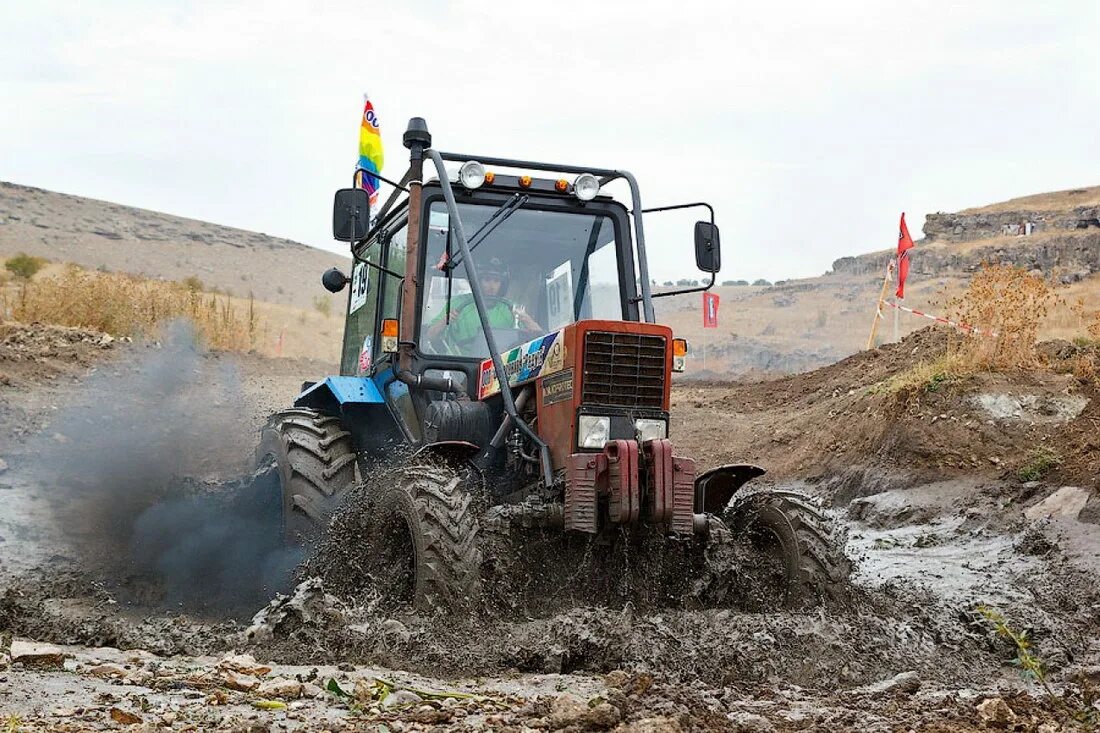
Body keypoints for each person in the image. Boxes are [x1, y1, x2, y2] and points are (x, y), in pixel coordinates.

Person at [427, 257, 542, 354]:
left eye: (496, 281)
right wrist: (445, 320)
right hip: (459, 369)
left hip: (499, 367)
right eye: (487, 280)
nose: (492, 286)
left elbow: (540, 337)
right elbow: (430, 336)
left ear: (503, 284)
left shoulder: (511, 308)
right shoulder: (457, 303)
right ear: (478, 281)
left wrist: (526, 319)